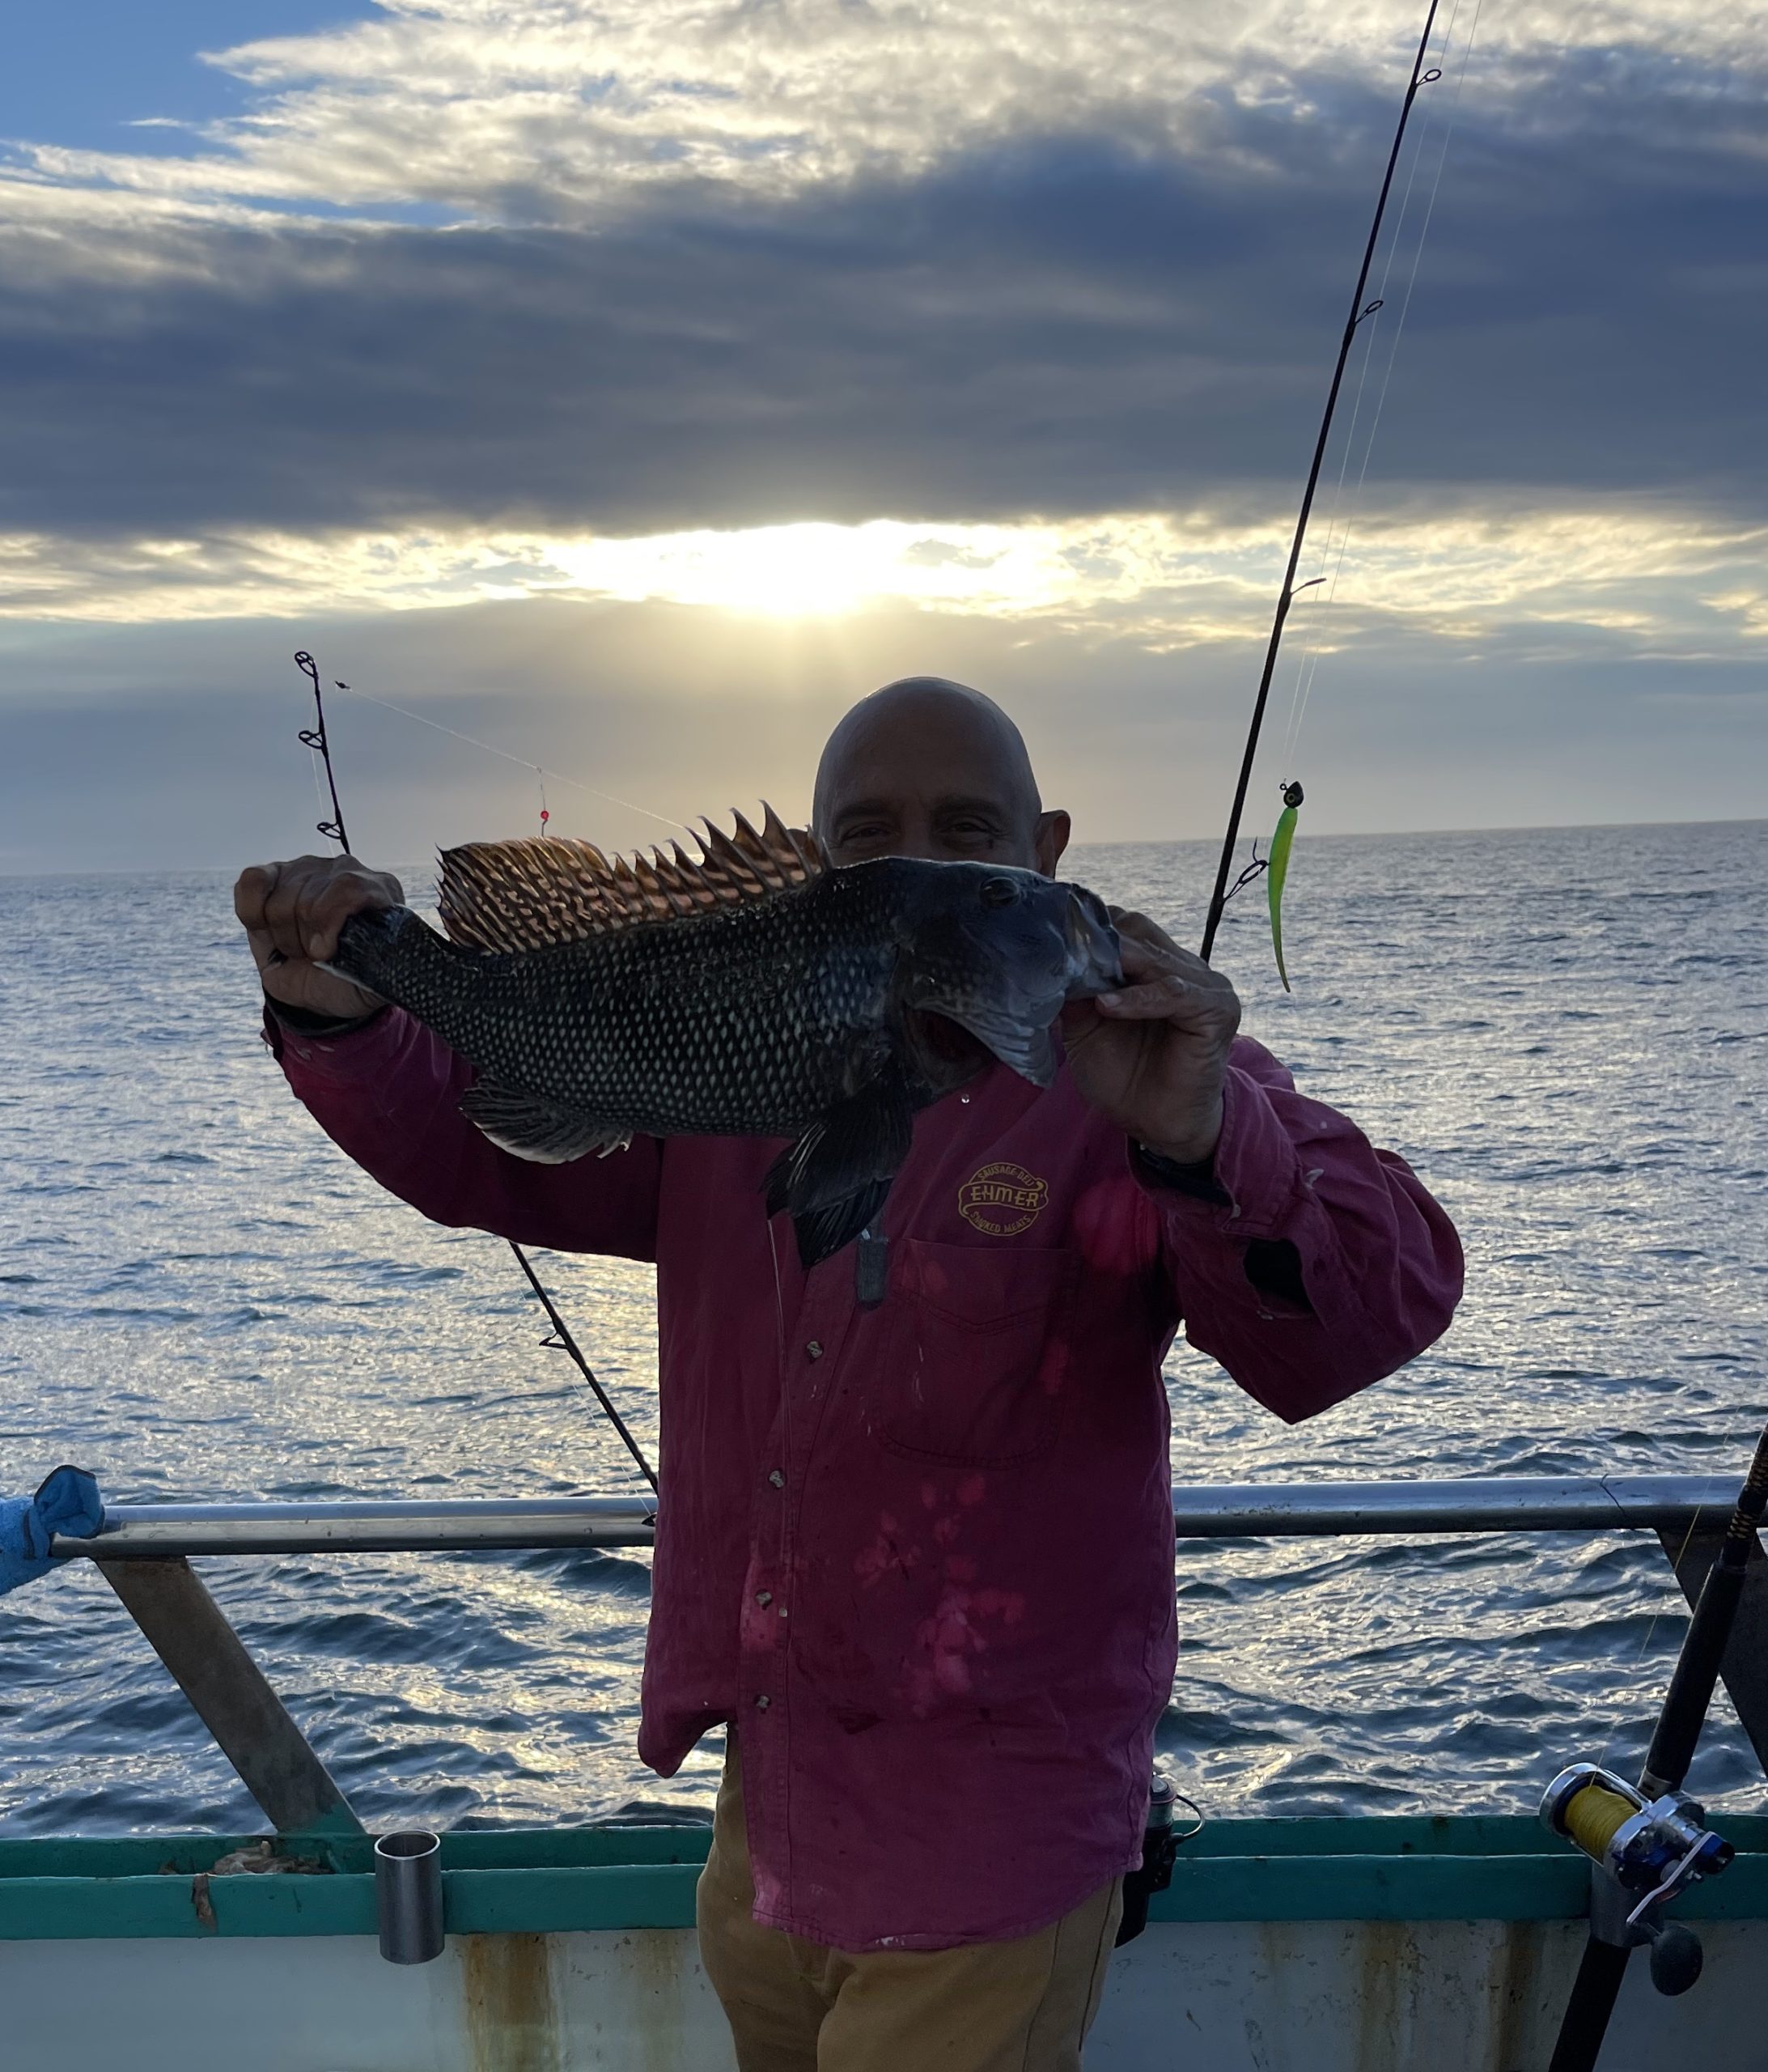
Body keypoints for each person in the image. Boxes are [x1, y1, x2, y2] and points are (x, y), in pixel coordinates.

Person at [235, 677, 1461, 2071]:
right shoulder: (725, 1063)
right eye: (871, 832)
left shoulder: (1146, 1079)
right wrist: (345, 1012)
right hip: (773, 1798)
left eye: (969, 829)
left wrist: (1201, 1130)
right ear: (818, 865)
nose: (921, 855)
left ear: (1046, 853)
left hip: (996, 1820)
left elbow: (1364, 1314)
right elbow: (484, 1143)